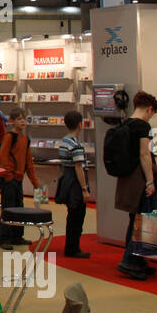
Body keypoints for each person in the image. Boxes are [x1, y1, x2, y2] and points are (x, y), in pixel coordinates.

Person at [114, 90, 157, 280]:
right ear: (149, 109)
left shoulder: (125, 124)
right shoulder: (142, 126)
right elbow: (144, 154)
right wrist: (150, 181)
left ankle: (137, 260)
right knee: (146, 218)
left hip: (128, 180)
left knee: (136, 219)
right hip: (140, 179)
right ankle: (130, 260)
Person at [0, 106, 40, 249]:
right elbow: (2, 157)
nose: (22, 122)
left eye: (24, 119)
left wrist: (35, 182)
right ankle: (5, 238)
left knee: (19, 208)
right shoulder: (10, 137)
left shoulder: (25, 139)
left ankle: (17, 236)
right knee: (8, 209)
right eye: (19, 119)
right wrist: (7, 175)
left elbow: (29, 161)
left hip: (19, 179)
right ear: (12, 121)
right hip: (10, 180)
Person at [56, 110, 93, 258]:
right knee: (77, 215)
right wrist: (84, 189)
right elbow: (78, 167)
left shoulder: (64, 141)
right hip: (75, 183)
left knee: (72, 215)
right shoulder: (76, 145)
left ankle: (71, 245)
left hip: (67, 179)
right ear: (80, 124)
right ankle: (73, 247)